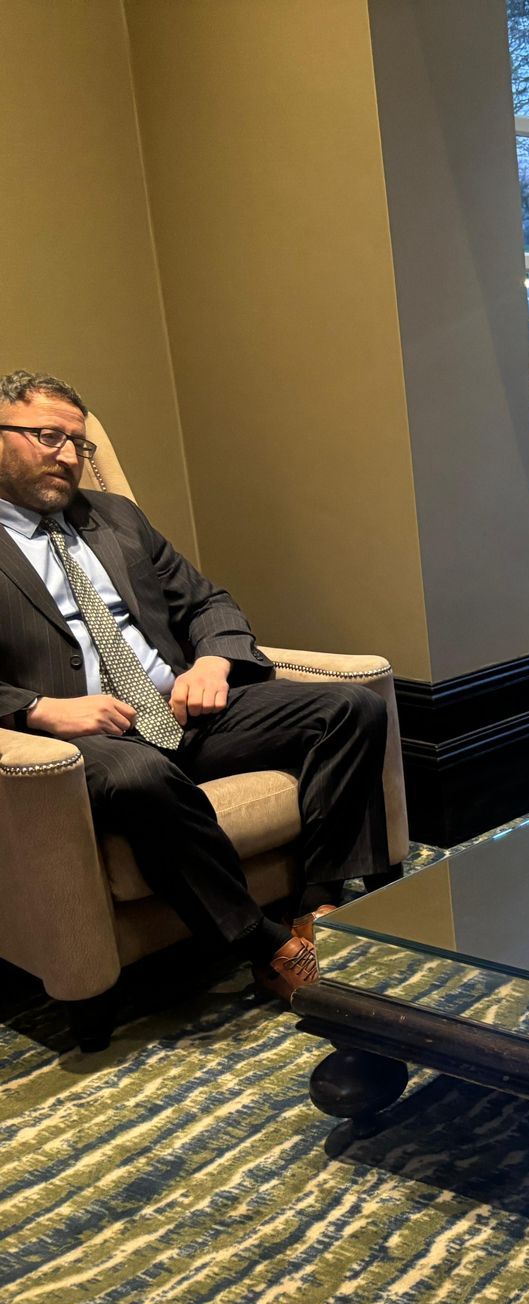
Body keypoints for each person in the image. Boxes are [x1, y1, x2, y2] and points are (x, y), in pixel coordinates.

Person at [0, 370, 390, 1039]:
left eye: (77, 442)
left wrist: (211, 662)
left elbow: (208, 602)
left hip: (177, 712)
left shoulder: (115, 518)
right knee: (139, 775)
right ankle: (262, 944)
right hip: (83, 742)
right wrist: (36, 709)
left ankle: (319, 906)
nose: (66, 454)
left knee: (350, 707)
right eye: (46, 436)